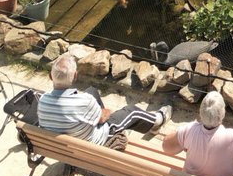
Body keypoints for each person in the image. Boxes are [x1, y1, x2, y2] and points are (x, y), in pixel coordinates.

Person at [39, 54, 170, 152]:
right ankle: (159, 120)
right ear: (75, 76)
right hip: (96, 142)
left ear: (51, 76)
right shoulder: (83, 101)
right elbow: (103, 118)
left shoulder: (42, 100)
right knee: (131, 111)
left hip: (67, 146)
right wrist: (106, 112)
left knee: (91, 91)